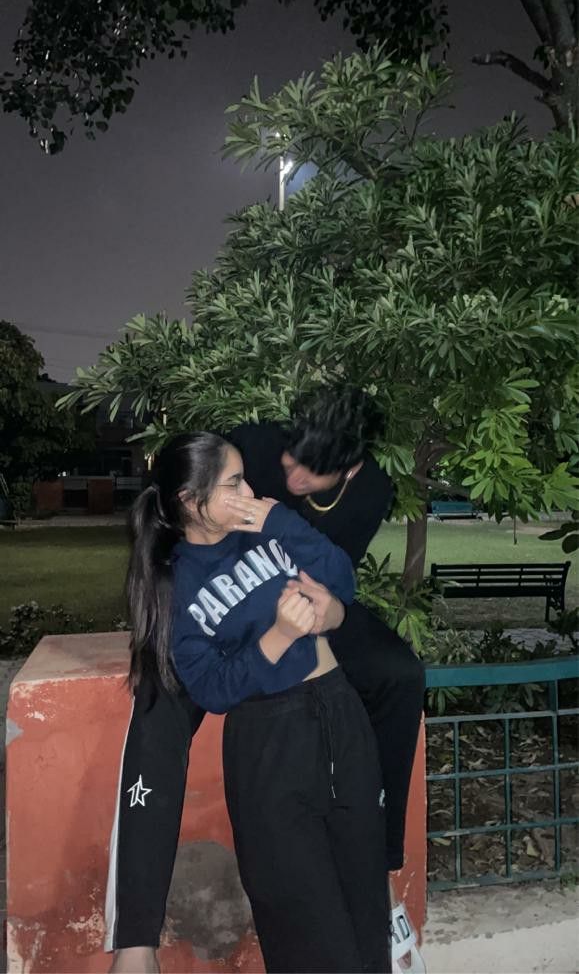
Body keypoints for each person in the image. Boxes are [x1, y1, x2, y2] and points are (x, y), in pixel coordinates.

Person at [107, 387, 425, 971]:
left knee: (402, 675)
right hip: (241, 641)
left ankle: (381, 870)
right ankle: (135, 938)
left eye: (311, 471)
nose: (290, 475)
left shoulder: (369, 491)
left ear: (348, 469)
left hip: (301, 607)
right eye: (289, 460)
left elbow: (329, 577)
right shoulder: (250, 449)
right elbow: (192, 498)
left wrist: (329, 611)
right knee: (158, 705)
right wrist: (268, 635)